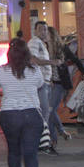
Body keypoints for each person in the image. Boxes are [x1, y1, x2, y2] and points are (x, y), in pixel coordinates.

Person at [0, 38, 45, 167]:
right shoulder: (35, 69)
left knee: (14, 151)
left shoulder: (2, 70)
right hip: (32, 114)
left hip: (10, 114)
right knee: (31, 153)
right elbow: (40, 84)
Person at [28, 21, 59, 154]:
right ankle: (41, 143)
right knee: (44, 113)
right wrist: (51, 62)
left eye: (45, 30)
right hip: (40, 84)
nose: (43, 32)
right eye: (41, 29)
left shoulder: (41, 44)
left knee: (46, 113)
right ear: (35, 31)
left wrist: (49, 78)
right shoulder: (35, 42)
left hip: (44, 83)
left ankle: (42, 142)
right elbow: (33, 60)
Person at [45, 27, 72, 147]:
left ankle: (59, 133)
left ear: (52, 35)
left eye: (47, 33)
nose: (44, 35)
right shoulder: (44, 48)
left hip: (59, 84)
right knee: (49, 111)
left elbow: (75, 60)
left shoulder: (61, 48)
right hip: (49, 83)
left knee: (50, 110)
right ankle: (54, 138)